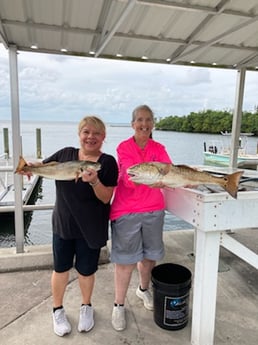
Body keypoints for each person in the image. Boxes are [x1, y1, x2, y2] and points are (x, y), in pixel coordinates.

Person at [20, 116, 118, 337]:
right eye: (86, 132)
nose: (90, 137)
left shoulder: (108, 162)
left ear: (103, 137)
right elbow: (45, 167)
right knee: (61, 269)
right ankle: (57, 310)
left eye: (96, 133)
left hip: (91, 228)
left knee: (86, 271)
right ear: (79, 134)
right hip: (63, 224)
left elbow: (106, 198)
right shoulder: (65, 153)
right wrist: (31, 168)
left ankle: (86, 307)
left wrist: (94, 181)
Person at [110, 105, 172, 331]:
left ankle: (143, 290)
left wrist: (183, 179)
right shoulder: (124, 147)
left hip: (154, 209)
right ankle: (118, 305)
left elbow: (169, 172)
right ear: (132, 124)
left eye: (148, 120)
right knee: (125, 261)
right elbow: (128, 175)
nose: (144, 124)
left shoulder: (159, 148)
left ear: (153, 123)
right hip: (127, 210)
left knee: (149, 257)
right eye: (139, 120)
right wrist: (148, 178)